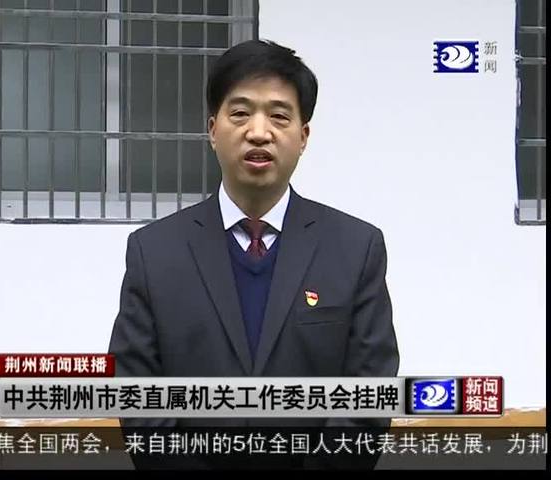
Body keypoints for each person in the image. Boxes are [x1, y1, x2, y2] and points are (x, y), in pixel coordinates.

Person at [109, 39, 399, 469]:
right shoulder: (154, 252)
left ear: (303, 137)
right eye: (240, 113)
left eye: (279, 116)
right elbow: (138, 397)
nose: (259, 132)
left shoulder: (356, 248)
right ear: (213, 130)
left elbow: (369, 396)